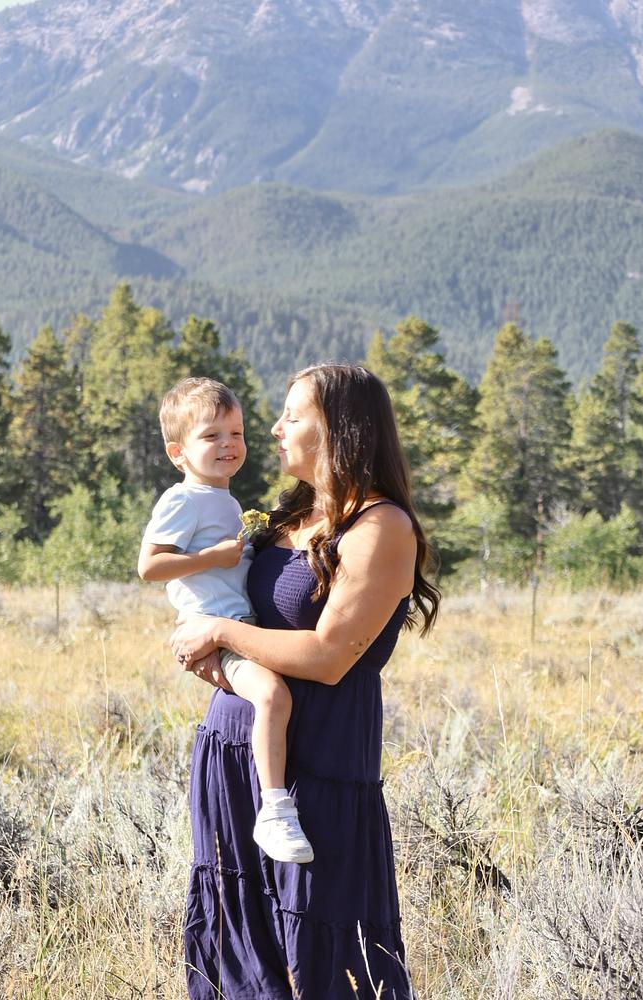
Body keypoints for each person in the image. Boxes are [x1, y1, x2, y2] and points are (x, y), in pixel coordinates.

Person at [170, 362, 440, 1000]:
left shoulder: (381, 528)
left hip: (321, 765)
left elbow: (328, 655)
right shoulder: (286, 518)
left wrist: (219, 633)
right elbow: (221, 605)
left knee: (330, 954)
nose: (274, 428)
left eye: (292, 416)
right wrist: (201, 642)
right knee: (238, 942)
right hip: (235, 749)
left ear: (340, 429)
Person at [139, 376, 314, 863]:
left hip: (239, 625)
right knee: (273, 696)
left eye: (235, 433)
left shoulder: (226, 500)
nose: (227, 444)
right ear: (178, 453)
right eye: (211, 436)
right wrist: (214, 557)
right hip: (216, 630)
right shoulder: (182, 499)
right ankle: (275, 810)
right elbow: (149, 566)